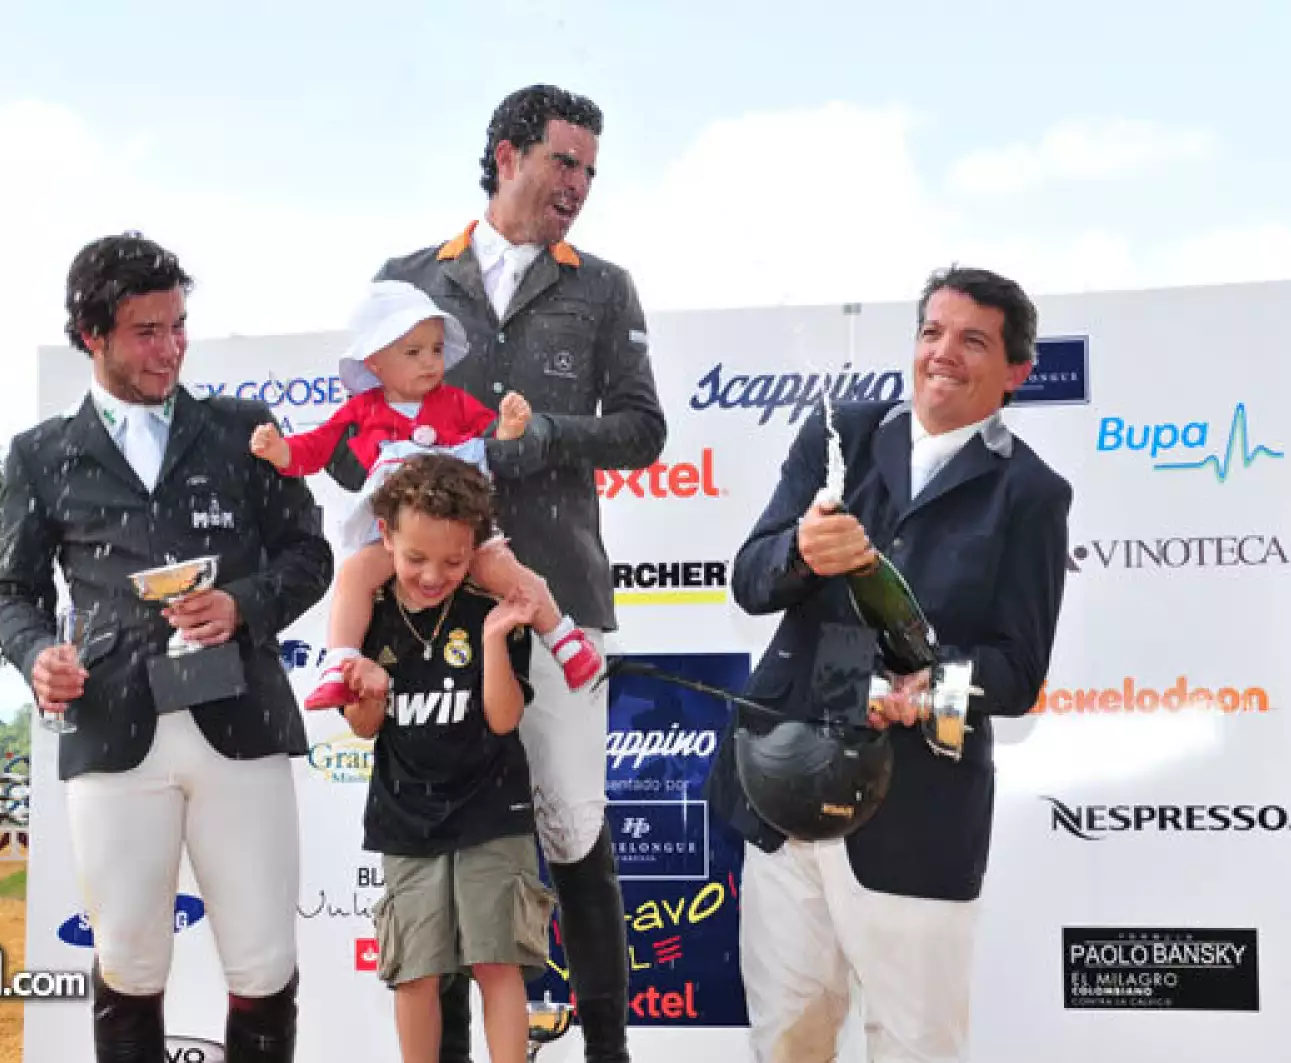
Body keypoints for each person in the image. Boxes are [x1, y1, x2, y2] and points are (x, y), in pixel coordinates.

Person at [705, 265, 1072, 1063]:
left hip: (918, 811)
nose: (944, 353)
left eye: (973, 341)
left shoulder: (1032, 492)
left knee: (917, 1045)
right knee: (787, 1039)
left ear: (1015, 371)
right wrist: (801, 551)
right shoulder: (841, 434)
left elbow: (1017, 671)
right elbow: (750, 578)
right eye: (932, 332)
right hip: (784, 789)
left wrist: (929, 689)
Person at [367, 83, 665, 1063]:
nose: (578, 184)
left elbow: (643, 430)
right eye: (562, 162)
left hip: (559, 598)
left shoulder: (606, 287)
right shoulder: (408, 280)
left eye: (590, 170)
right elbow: (364, 427)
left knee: (574, 833)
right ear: (507, 156)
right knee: (444, 842)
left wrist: (543, 440)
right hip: (429, 613)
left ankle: (608, 1052)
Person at [0, 232, 333, 1063]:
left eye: (178, 325)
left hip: (240, 719)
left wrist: (242, 605)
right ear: (92, 335)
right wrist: (37, 655)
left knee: (263, 963)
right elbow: (13, 592)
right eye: (147, 331)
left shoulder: (245, 429)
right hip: (112, 731)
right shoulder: (40, 454)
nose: (171, 347)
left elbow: (309, 555)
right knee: (128, 964)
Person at [249, 279, 602, 710]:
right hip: (398, 535)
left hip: (460, 527)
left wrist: (509, 428)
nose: (430, 362)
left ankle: (563, 638)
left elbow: (493, 438)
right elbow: (315, 447)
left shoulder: (456, 402)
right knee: (355, 573)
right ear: (374, 362)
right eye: (413, 352)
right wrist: (280, 451)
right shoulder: (361, 409)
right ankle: (339, 664)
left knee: (504, 568)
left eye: (436, 349)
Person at [336, 452, 556, 1063]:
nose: (432, 575)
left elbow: (504, 718)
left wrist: (493, 639)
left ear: (476, 548)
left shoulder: (494, 603)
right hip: (406, 817)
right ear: (385, 536)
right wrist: (367, 690)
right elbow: (363, 728)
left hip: (492, 811)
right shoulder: (368, 608)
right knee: (415, 972)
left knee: (497, 962)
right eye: (415, 559)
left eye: (453, 561)